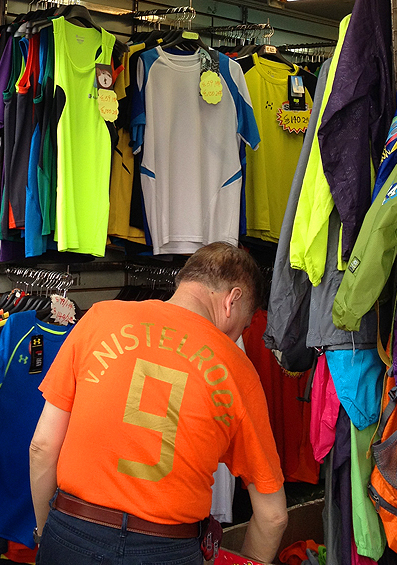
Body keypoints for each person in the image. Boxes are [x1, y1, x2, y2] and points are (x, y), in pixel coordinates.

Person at [29, 242, 289, 564]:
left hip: (72, 533)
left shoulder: (99, 318)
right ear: (231, 300)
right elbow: (273, 516)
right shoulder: (238, 370)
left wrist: (46, 533)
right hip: (168, 548)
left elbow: (41, 447)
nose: (237, 337)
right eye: (244, 324)